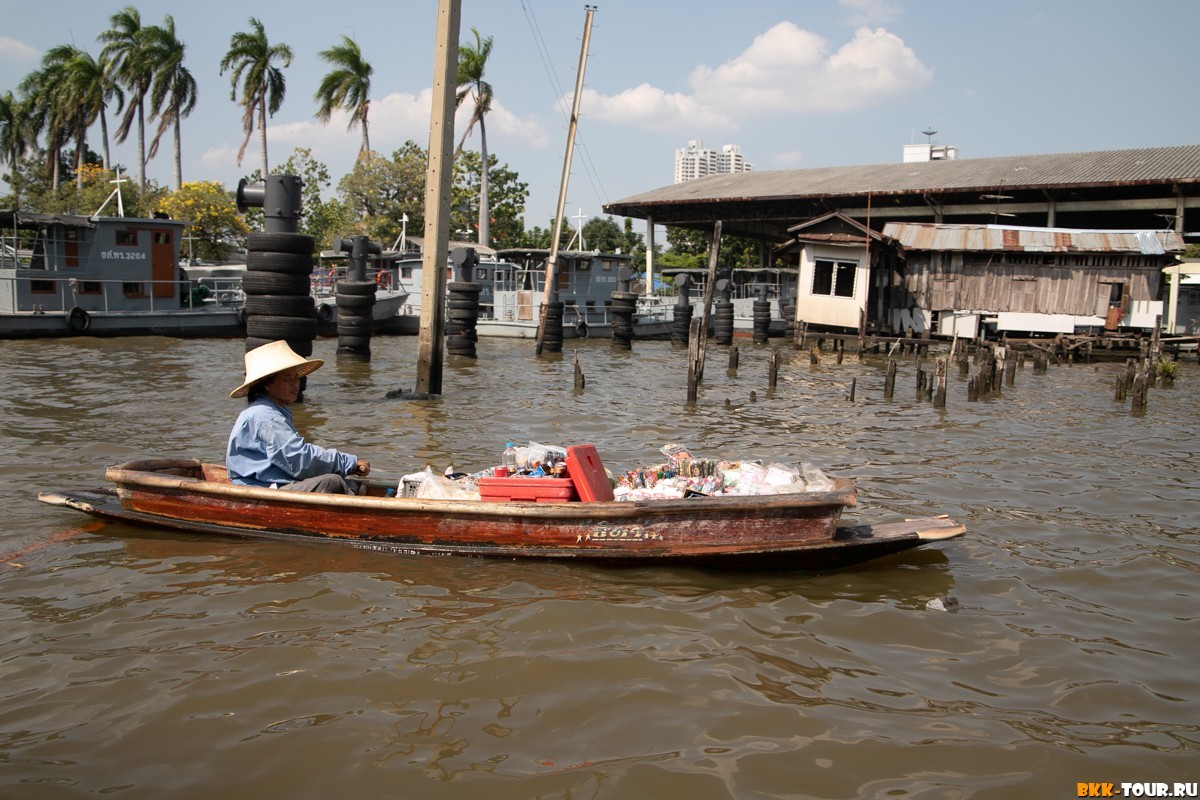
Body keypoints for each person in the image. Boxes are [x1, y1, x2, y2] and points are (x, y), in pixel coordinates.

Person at [226, 340, 370, 494]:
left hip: (269, 483)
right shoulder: (266, 416)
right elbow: (298, 458)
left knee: (349, 483)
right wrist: (349, 463)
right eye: (288, 379)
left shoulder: (270, 410)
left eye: (296, 378)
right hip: (259, 488)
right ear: (267, 384)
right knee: (331, 482)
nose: (295, 385)